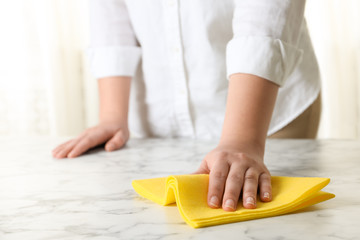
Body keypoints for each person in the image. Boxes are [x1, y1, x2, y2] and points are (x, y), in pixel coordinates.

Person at [52, 0, 321, 212]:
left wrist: (243, 139)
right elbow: (110, 12)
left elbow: (265, 13)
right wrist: (112, 114)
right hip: (158, 116)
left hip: (267, 111)